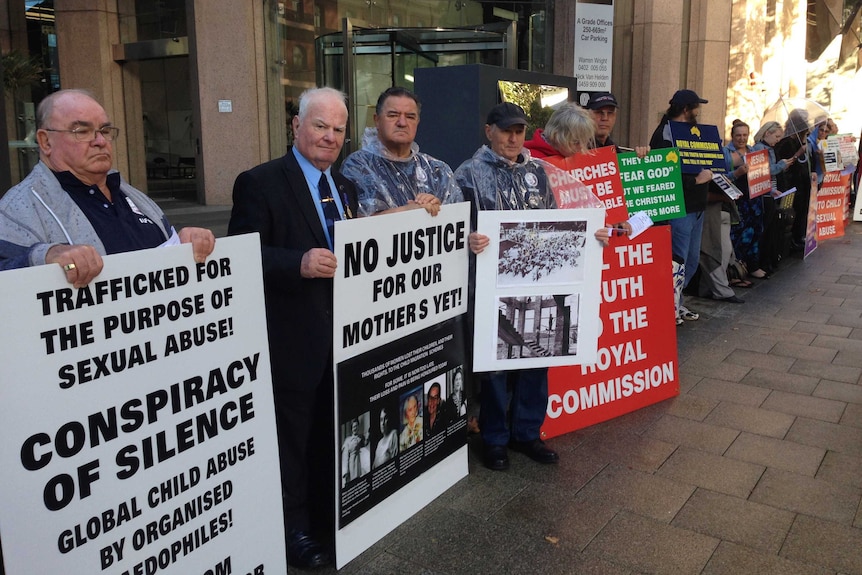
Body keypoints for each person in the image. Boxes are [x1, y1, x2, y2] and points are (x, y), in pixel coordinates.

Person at [228, 86, 358, 570]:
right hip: (291, 337)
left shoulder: (346, 187)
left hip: (342, 336)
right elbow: (241, 256)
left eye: (338, 129)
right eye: (320, 125)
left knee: (329, 428)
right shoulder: (260, 182)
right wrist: (296, 263)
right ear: (296, 127)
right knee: (291, 438)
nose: (329, 136)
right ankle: (292, 530)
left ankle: (328, 515)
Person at [455, 102, 608, 472]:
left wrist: (591, 235)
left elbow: (555, 222)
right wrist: (468, 240)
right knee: (494, 368)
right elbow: (452, 230)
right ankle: (493, 439)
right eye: (505, 130)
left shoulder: (538, 173)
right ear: (489, 130)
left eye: (519, 131)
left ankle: (526, 432)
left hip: (537, 283)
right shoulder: (467, 175)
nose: (513, 138)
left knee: (538, 358)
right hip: (490, 287)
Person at [0, 89, 215, 283]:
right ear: (45, 142)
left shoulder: (132, 195)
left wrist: (186, 244)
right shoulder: (18, 209)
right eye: (82, 131)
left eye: (104, 130)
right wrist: (44, 256)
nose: (100, 141)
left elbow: (168, 250)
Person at [340, 86, 462, 217]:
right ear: (377, 120)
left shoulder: (438, 171)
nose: (402, 123)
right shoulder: (357, 167)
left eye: (410, 117)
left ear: (417, 122)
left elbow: (458, 221)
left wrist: (436, 208)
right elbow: (352, 224)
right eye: (393, 115)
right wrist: (408, 211)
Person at [649, 89, 714, 323]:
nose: (699, 112)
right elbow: (663, 174)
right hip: (680, 208)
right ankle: (669, 307)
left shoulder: (691, 133)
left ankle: (677, 302)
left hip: (696, 207)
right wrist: (696, 181)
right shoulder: (665, 134)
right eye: (696, 107)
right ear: (686, 109)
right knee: (678, 260)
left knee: (691, 261)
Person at [725, 119, 760, 284]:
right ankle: (735, 271)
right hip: (736, 199)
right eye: (738, 135)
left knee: (754, 232)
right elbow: (722, 177)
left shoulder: (753, 151)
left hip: (753, 198)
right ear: (732, 136)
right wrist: (737, 172)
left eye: (745, 135)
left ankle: (750, 266)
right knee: (737, 234)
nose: (742, 138)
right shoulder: (726, 152)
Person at [584, 91, 651, 157]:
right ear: (587, 115)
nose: (605, 118)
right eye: (599, 112)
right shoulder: (576, 149)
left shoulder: (615, 151)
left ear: (615, 117)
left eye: (610, 113)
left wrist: (640, 159)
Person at [340, 418, 366, 486]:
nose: (355, 428)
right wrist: (346, 471)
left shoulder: (361, 438)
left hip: (359, 464)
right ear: (351, 428)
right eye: (354, 426)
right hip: (351, 465)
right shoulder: (347, 440)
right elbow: (345, 457)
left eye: (356, 426)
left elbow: (365, 446)